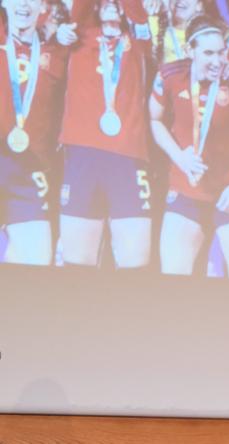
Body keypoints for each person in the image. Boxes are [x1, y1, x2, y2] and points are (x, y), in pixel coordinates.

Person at [149, 15, 229, 278]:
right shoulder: (170, 74)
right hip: (186, 191)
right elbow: (154, 120)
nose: (217, 61)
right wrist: (180, 157)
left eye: (221, 52)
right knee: (173, 279)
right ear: (190, 51)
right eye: (208, 53)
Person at [57, 0, 153, 269]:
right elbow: (77, 11)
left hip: (128, 155)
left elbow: (139, 13)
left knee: (135, 262)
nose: (112, 3)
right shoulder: (79, 35)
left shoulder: (138, 39)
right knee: (78, 263)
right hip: (82, 154)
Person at [0, 0, 67, 265]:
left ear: (43, 6)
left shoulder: (58, 55)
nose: (23, 5)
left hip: (30, 169)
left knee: (36, 263)